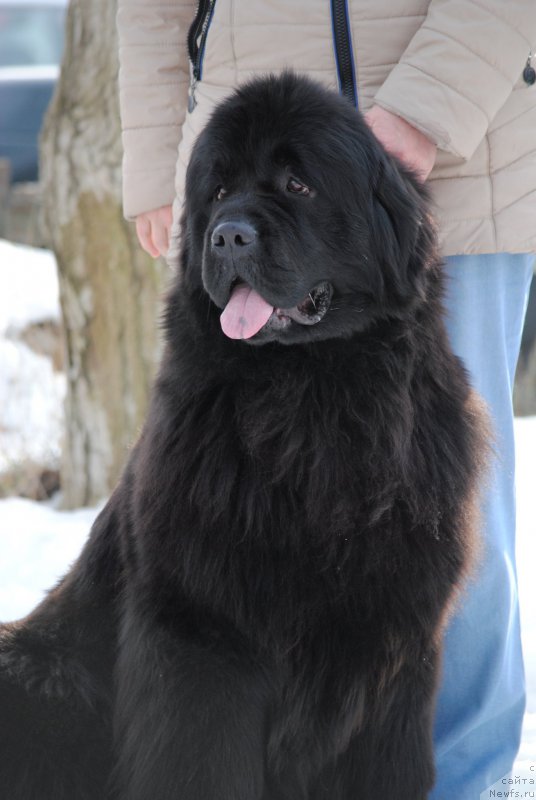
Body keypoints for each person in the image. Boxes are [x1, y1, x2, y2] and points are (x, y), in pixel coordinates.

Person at [116, 2, 536, 796]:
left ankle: (465, 781)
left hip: (454, 157)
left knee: (450, 525)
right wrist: (156, 161)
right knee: (228, 533)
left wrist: (424, 108)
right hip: (244, 162)